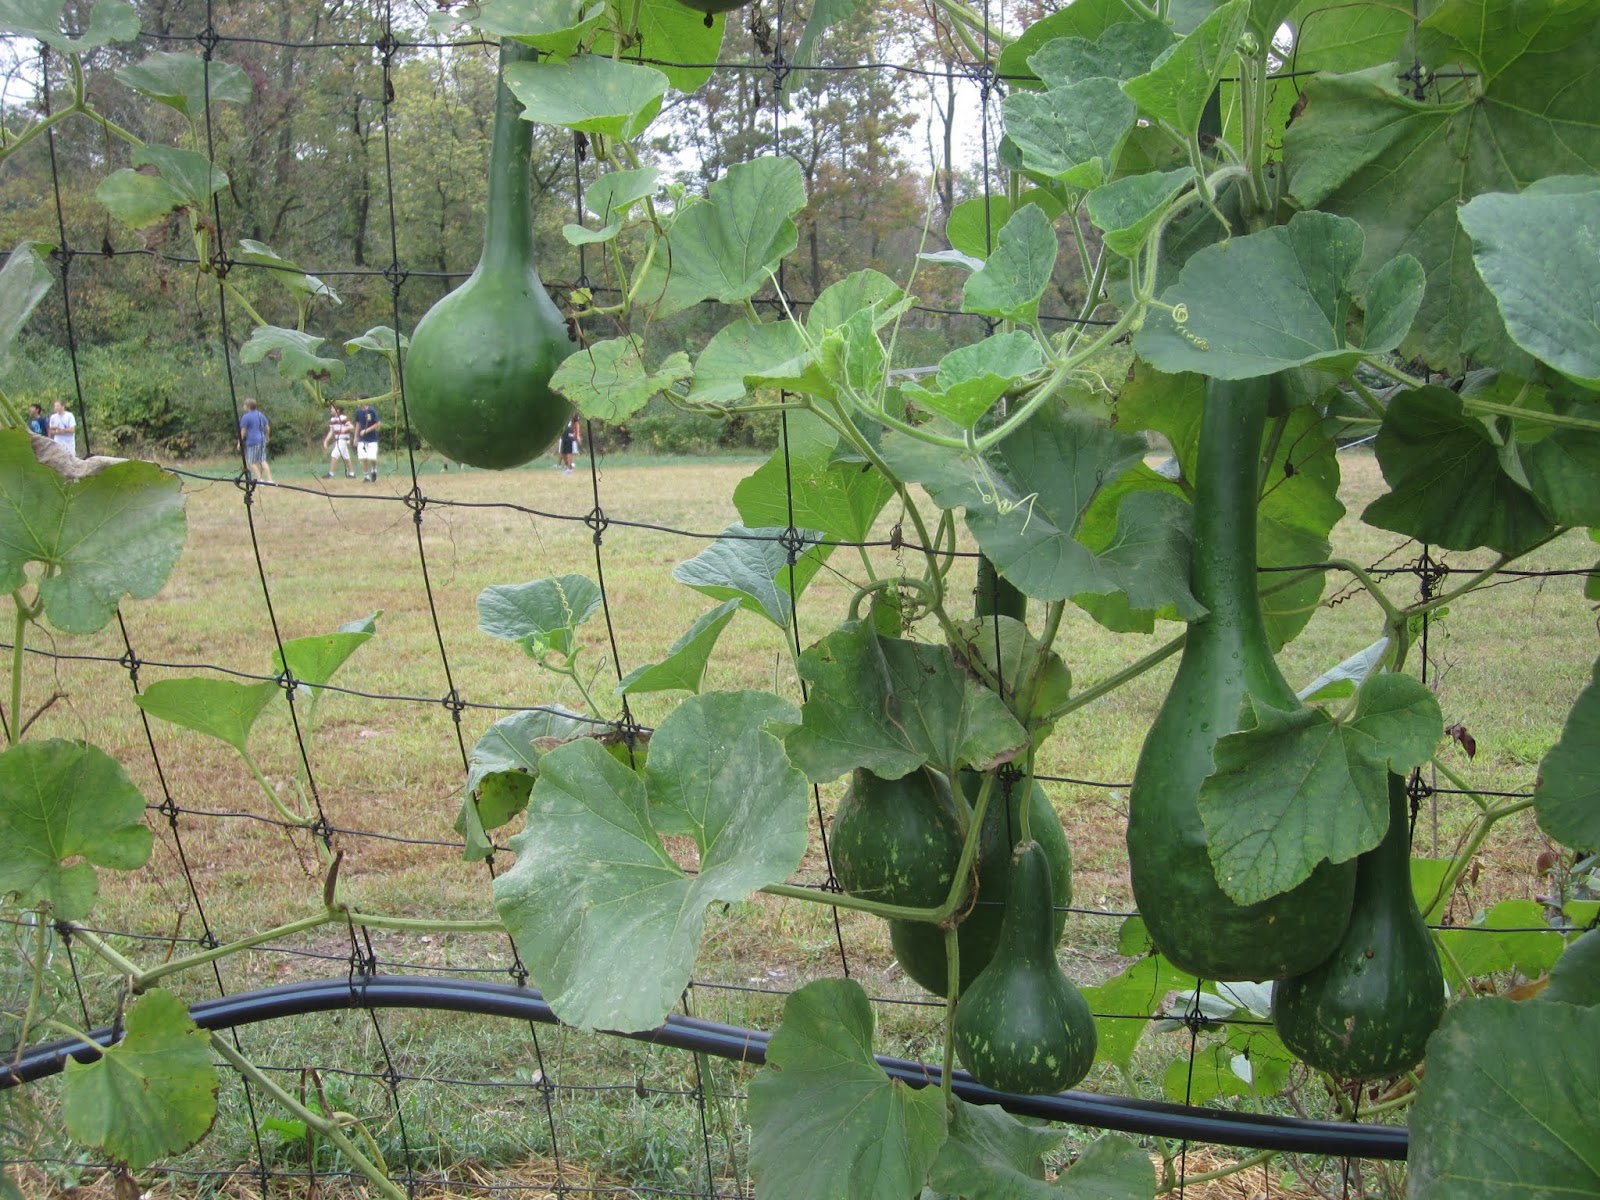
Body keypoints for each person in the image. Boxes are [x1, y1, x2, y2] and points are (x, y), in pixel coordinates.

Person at [238, 398, 273, 483]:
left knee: (251, 461)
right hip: (262, 440)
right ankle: (270, 480)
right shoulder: (260, 415)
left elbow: (243, 431)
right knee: (262, 460)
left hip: (252, 441)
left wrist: (239, 442)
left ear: (248, 406)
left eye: (244, 405)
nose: (243, 407)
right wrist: (267, 436)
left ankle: (260, 479)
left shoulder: (245, 417)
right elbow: (266, 427)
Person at [323, 403, 355, 478]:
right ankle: (352, 474)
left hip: (343, 440)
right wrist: (326, 441)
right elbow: (331, 432)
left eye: (332, 408)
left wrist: (345, 428)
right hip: (338, 440)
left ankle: (331, 473)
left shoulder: (343, 418)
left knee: (334, 454)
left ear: (338, 410)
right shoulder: (332, 420)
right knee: (346, 457)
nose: (331, 410)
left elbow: (351, 426)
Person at [353, 396, 381, 482]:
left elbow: (378, 423)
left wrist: (366, 430)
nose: (357, 402)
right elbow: (358, 424)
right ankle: (366, 476)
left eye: (358, 400)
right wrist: (355, 437)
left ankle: (374, 470)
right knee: (362, 458)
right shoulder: (358, 412)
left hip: (372, 439)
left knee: (372, 457)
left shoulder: (371, 411)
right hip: (362, 439)